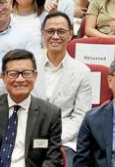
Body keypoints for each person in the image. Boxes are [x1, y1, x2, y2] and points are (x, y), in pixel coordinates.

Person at [31, 12, 96, 148]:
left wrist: (54, 139)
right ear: (43, 34)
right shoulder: (29, 67)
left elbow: (80, 116)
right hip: (30, 135)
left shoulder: (82, 72)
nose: (55, 36)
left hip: (64, 140)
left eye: (61, 32)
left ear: (70, 35)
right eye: (50, 31)